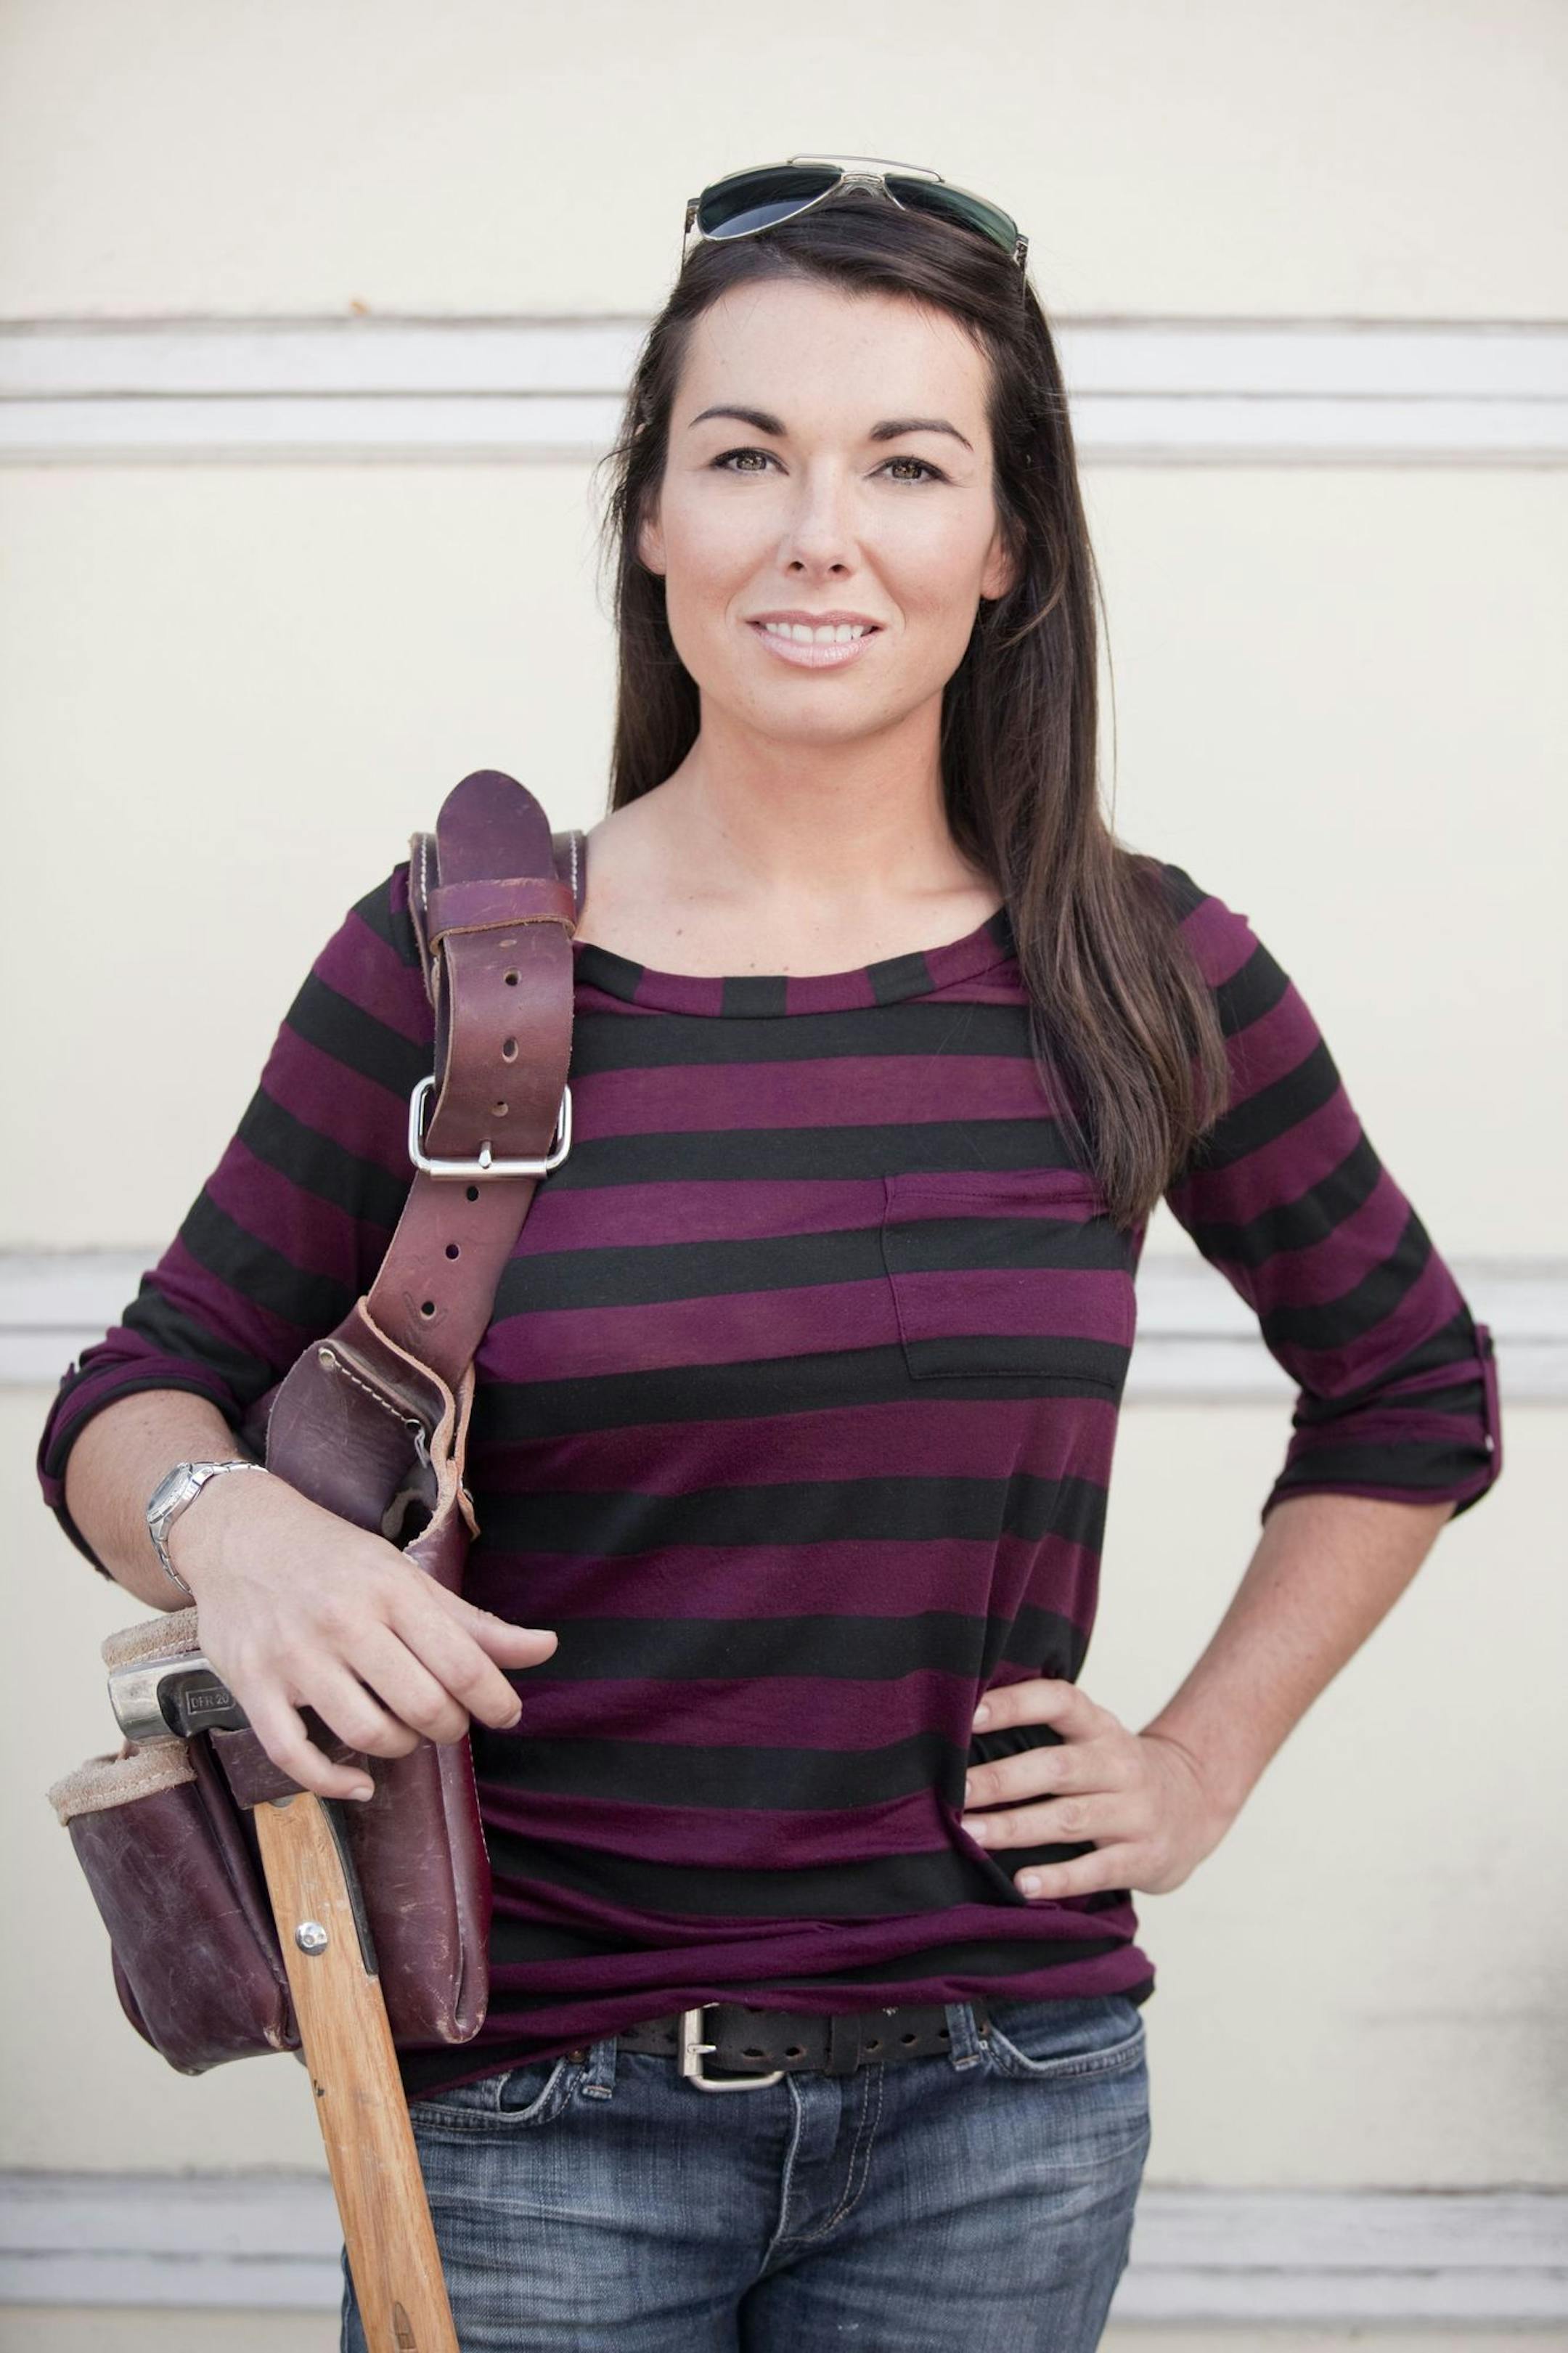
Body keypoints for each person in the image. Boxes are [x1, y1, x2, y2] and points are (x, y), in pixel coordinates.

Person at [37, 156, 1502, 2353]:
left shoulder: (1144, 967)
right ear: (653, 515)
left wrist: (1196, 1761)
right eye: (747, 454)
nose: (822, 532)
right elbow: (129, 1393)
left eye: (907, 463)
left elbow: (1413, 1389)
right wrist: (225, 1522)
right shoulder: (453, 969)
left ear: (1006, 545)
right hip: (530, 2117)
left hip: (1001, 2114)